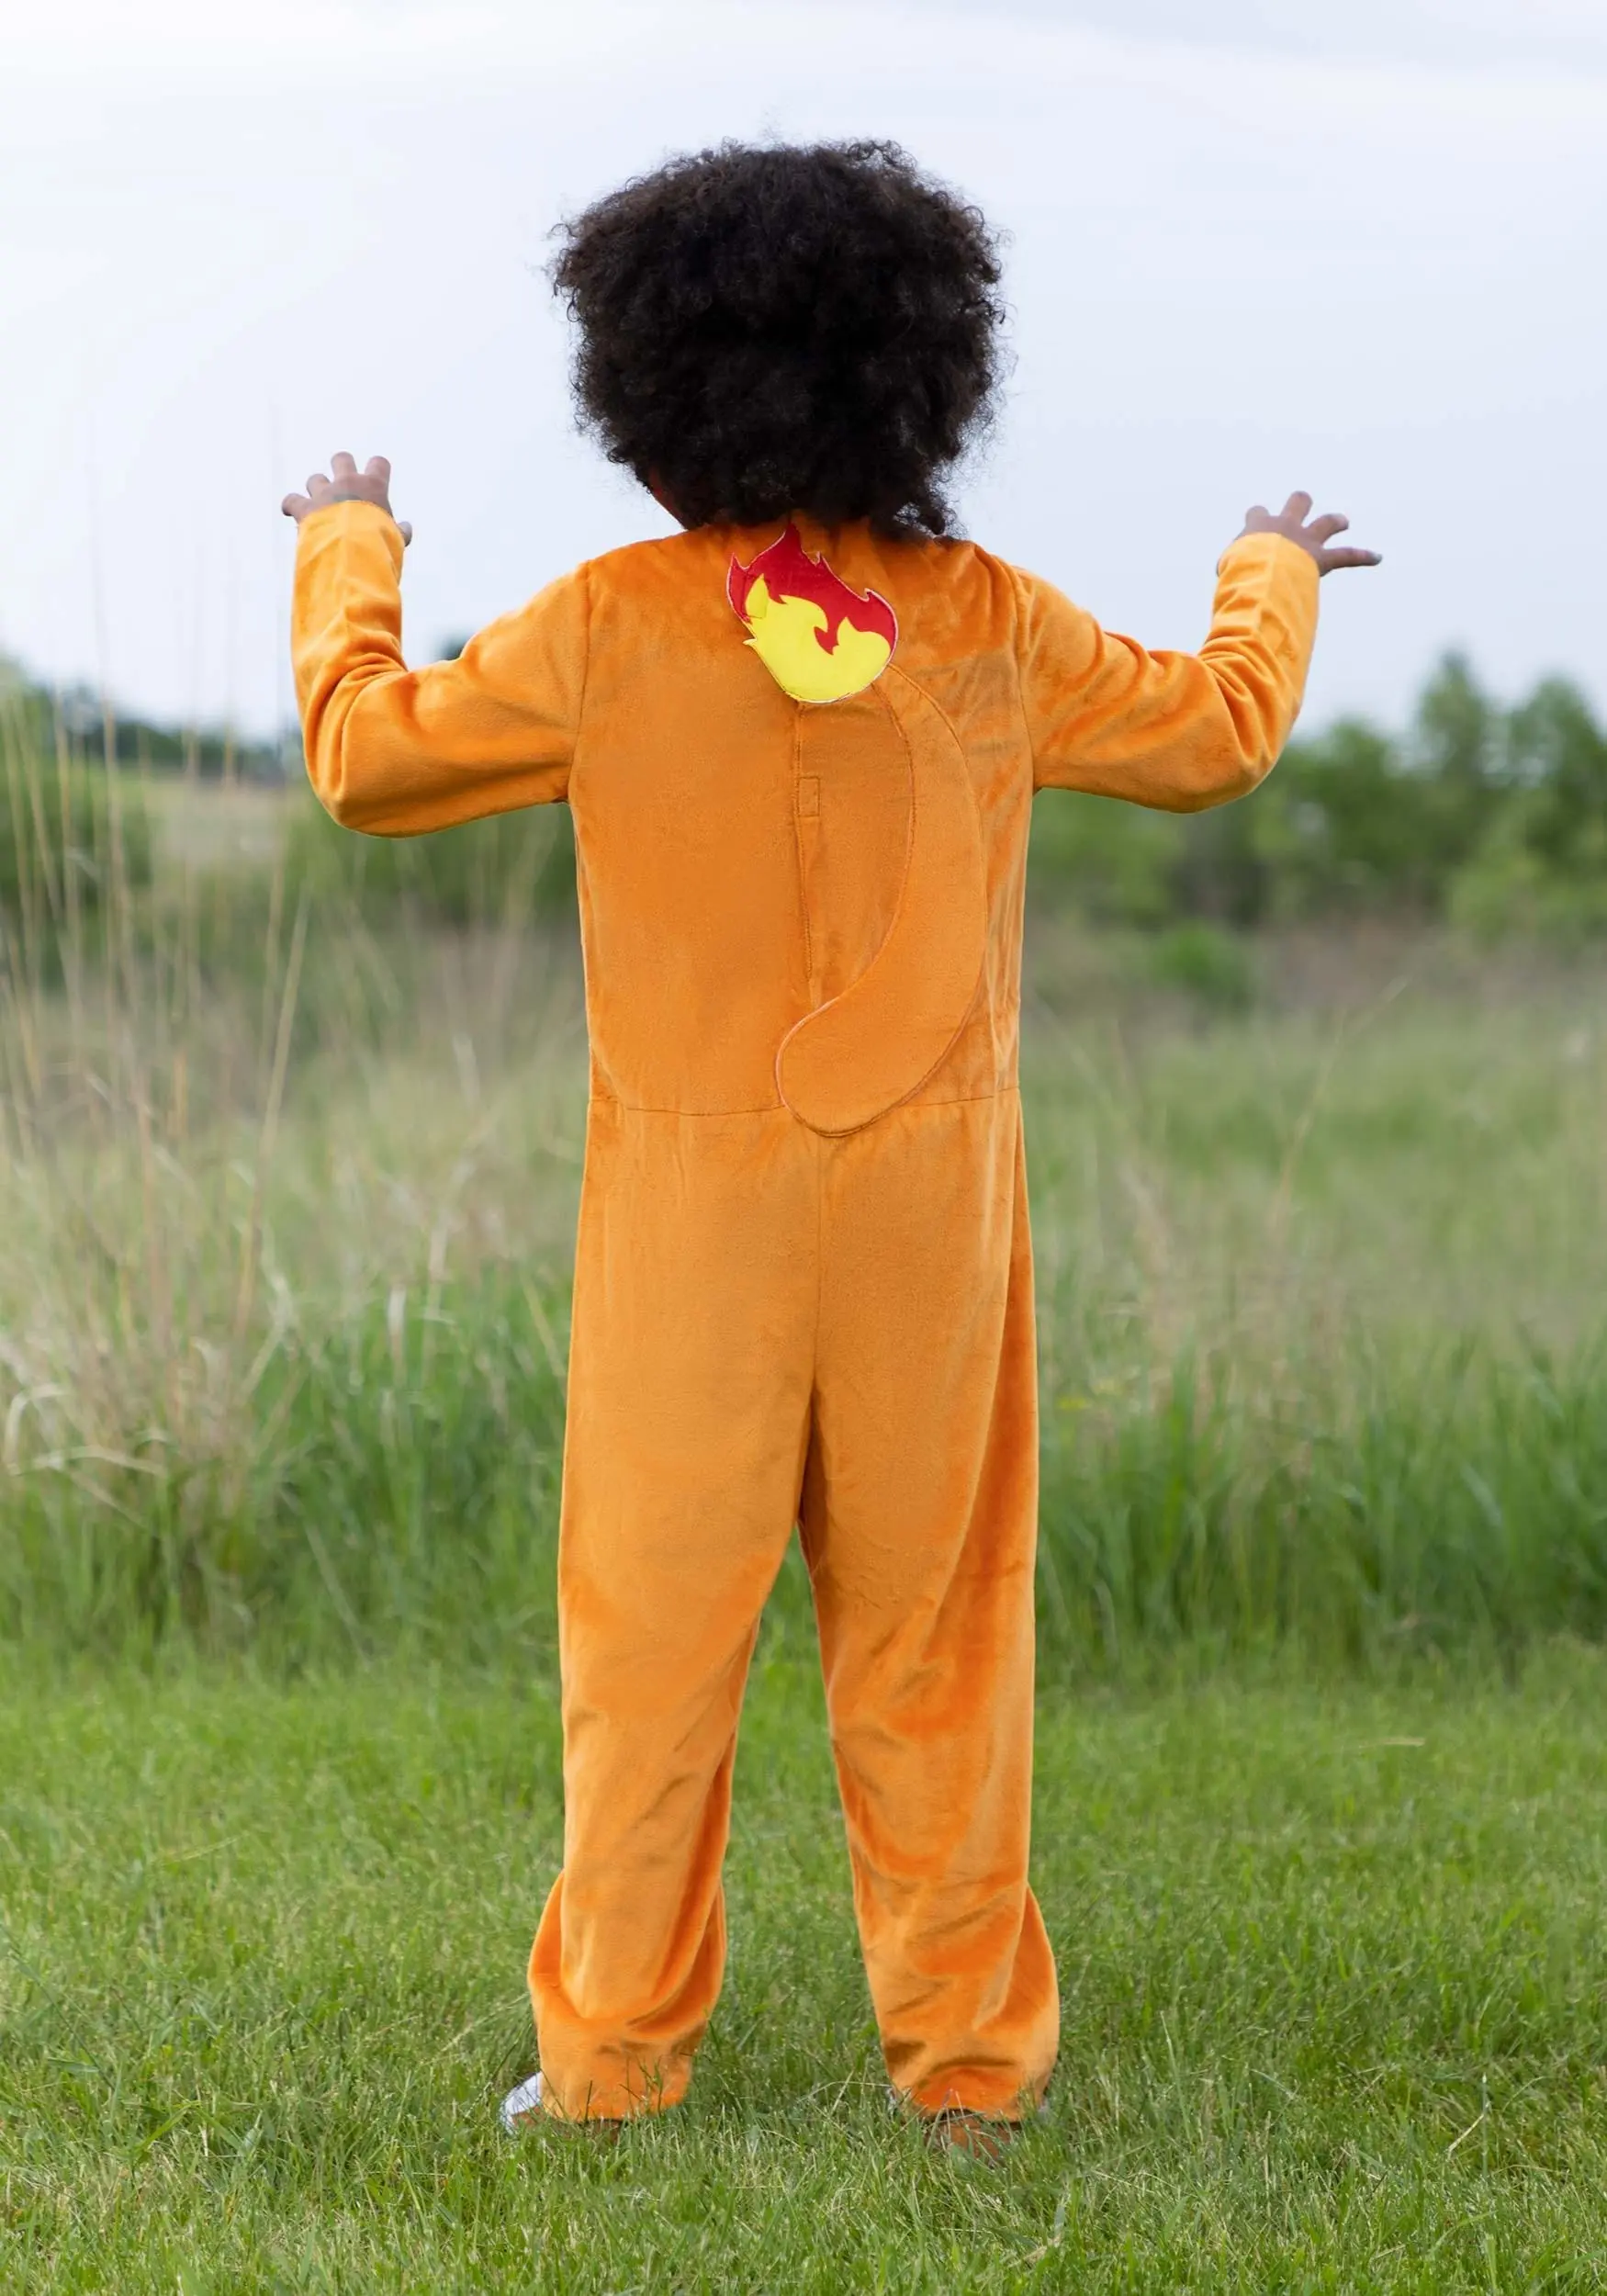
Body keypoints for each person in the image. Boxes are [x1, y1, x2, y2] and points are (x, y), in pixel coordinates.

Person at [282, 139, 1378, 2157]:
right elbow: (1217, 731)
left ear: (650, 396)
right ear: (917, 381)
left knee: (649, 1646)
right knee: (938, 1634)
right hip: (923, 1228)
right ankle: (963, 2075)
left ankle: (606, 2065)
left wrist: (349, 543)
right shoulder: (984, 623)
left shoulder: (608, 627)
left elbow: (363, 756)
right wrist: (1269, 569)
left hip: (688, 1229)